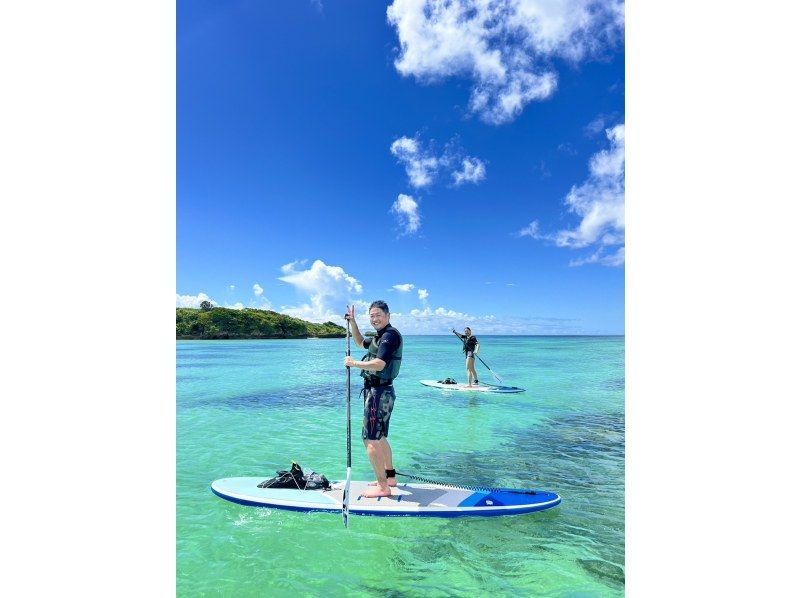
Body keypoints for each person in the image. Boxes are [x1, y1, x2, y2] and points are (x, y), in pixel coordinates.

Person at [343, 300, 403, 498]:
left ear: (387, 316)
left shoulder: (389, 336)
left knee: (369, 439)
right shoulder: (379, 337)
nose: (375, 319)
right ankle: (390, 477)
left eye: (378, 315)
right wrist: (353, 322)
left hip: (379, 394)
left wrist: (353, 363)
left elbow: (378, 364)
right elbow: (360, 342)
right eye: (371, 316)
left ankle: (382, 486)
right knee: (380, 437)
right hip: (381, 393)